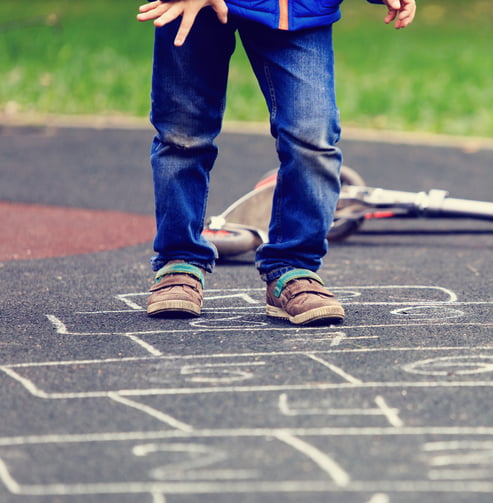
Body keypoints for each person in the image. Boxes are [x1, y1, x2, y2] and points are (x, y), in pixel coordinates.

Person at [137, 0, 416, 325]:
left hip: (296, 9)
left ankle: (293, 268)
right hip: (192, 8)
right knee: (183, 135)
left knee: (312, 136)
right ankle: (179, 260)